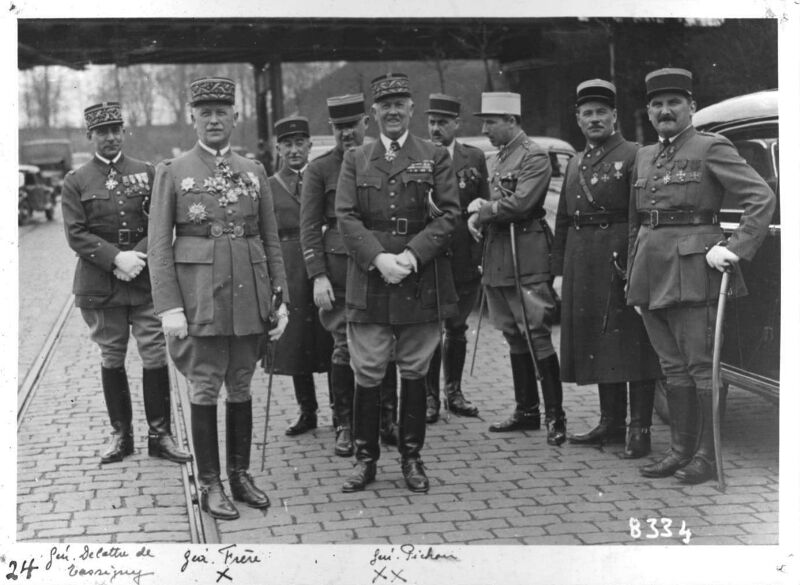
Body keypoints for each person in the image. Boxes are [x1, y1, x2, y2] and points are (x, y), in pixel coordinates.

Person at [148, 77, 289, 519]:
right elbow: (157, 247)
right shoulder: (173, 171)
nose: (214, 120)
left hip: (249, 295)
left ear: (235, 117)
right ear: (193, 117)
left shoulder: (254, 171)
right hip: (199, 300)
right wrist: (169, 306)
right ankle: (210, 483)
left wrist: (279, 299)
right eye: (205, 112)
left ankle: (241, 475)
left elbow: (270, 241)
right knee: (206, 384)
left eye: (221, 112)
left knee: (242, 383)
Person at [627, 68, 775, 484]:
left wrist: (735, 248)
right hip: (650, 270)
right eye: (656, 104)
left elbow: (760, 197)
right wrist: (632, 274)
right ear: (649, 112)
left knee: (700, 366)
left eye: (674, 102)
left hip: (694, 272)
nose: (665, 111)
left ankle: (706, 458)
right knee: (671, 366)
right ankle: (679, 451)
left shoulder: (712, 146)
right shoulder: (644, 155)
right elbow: (639, 219)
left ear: (691, 106)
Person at [336, 73, 460, 493]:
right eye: (384, 105)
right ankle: (365, 459)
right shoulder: (357, 157)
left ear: (412, 110)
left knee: (414, 368)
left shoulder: (435, 155)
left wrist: (410, 256)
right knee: (367, 369)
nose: (392, 111)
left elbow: (448, 214)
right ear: (373, 113)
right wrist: (378, 258)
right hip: (371, 277)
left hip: (417, 276)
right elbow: (347, 216)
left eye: (400, 103)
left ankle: (411, 458)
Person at [61, 101, 192, 467]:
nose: (110, 137)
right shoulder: (76, 181)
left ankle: (160, 435)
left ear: (124, 132)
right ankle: (121, 435)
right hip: (101, 285)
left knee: (153, 353)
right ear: (90, 136)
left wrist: (136, 256)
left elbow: (162, 222)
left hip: (145, 279)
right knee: (111, 354)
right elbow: (75, 233)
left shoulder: (147, 173)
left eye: (116, 129)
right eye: (102, 132)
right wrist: (115, 259)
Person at [551, 79, 662, 458]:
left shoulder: (635, 154)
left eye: (602, 112)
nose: (595, 119)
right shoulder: (575, 163)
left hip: (620, 257)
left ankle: (639, 428)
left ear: (614, 116)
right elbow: (564, 220)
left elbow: (639, 215)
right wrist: (559, 270)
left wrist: (633, 262)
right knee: (599, 343)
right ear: (578, 119)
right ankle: (610, 422)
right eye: (587, 113)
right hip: (583, 262)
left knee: (633, 343)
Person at [300, 93, 400, 457]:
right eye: (339, 127)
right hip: (340, 272)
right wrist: (318, 276)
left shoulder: (384, 160)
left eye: (352, 126)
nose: (346, 134)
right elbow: (309, 227)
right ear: (332, 129)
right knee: (344, 346)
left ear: (366, 124)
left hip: (380, 267)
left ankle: (387, 419)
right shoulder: (319, 169)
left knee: (384, 345)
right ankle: (344, 423)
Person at [467, 92, 566, 446]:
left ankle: (556, 415)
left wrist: (484, 209)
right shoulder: (495, 160)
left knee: (536, 331)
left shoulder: (534, 156)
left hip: (526, 253)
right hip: (498, 255)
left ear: (511, 120)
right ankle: (527, 410)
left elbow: (522, 202)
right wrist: (477, 217)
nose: (485, 129)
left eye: (491, 122)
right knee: (511, 331)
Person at [266, 116, 333, 439]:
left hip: (323, 265)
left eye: (299, 144)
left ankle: (342, 412)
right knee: (297, 342)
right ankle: (307, 410)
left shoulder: (323, 178)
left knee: (332, 337)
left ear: (310, 145)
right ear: (278, 149)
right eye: (287, 145)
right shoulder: (269, 185)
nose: (294, 150)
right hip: (290, 268)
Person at [423, 93, 485, 423]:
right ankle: (430, 397)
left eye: (442, 123)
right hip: (431, 255)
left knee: (457, 326)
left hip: (463, 252)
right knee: (432, 327)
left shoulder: (473, 157)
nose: (436, 129)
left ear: (456, 125)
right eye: (431, 122)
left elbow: (485, 204)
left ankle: (454, 392)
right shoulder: (417, 157)